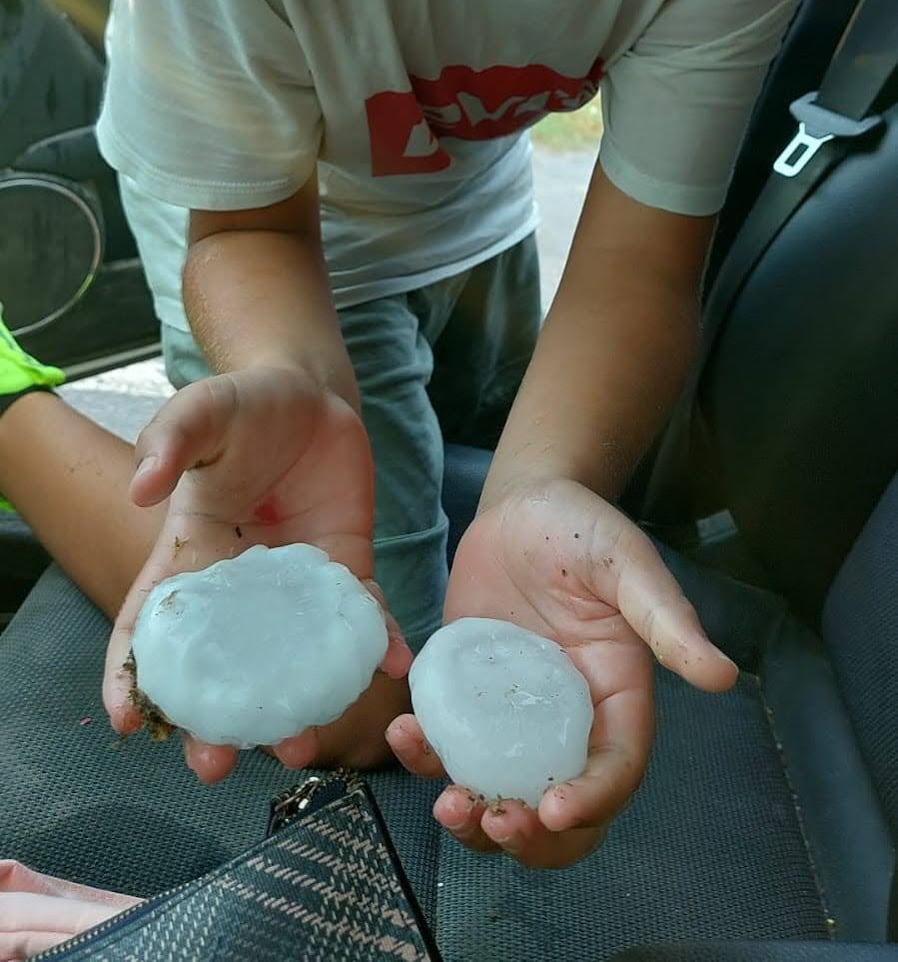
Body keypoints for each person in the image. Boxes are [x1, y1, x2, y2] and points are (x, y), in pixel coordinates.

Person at [0, 0, 799, 870]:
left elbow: (639, 261)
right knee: (366, 707)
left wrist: (540, 484)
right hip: (249, 225)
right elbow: (249, 229)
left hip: (468, 197)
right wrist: (295, 388)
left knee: (478, 460)